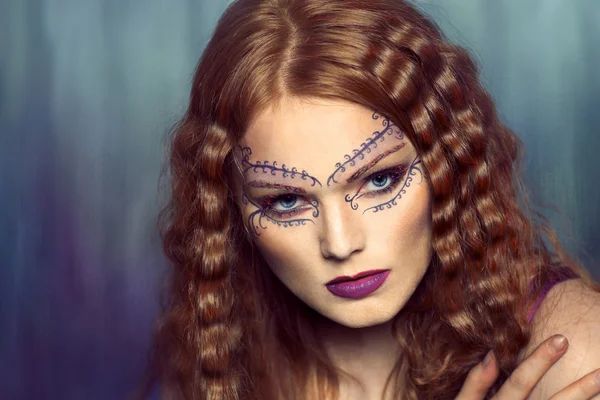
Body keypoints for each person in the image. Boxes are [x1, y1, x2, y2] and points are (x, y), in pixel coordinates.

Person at [137, 0, 600, 399]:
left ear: (447, 163)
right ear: (229, 209)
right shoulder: (218, 355)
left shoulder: (567, 348)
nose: (340, 243)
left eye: (380, 181)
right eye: (285, 202)